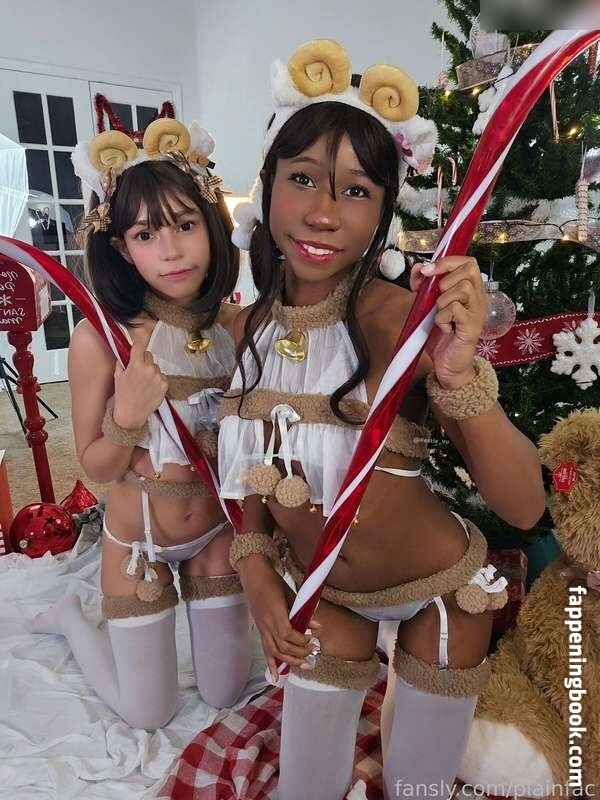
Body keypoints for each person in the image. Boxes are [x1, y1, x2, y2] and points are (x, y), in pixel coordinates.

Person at [218, 40, 546, 799]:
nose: (323, 212)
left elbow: (525, 506)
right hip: (326, 595)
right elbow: (250, 481)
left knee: (416, 790)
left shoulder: (405, 323)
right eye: (303, 178)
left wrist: (458, 372)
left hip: (439, 594)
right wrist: (260, 577)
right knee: (306, 790)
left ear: (382, 212)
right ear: (267, 185)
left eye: (357, 191)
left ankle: (412, 707)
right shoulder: (243, 331)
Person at [31, 118, 252, 729]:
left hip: (216, 539)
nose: (171, 249)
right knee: (147, 715)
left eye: (185, 225)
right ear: (122, 247)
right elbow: (97, 466)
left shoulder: (237, 328)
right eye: (146, 233)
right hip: (139, 546)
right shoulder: (99, 340)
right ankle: (71, 618)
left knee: (226, 694)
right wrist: (127, 416)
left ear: (213, 228)